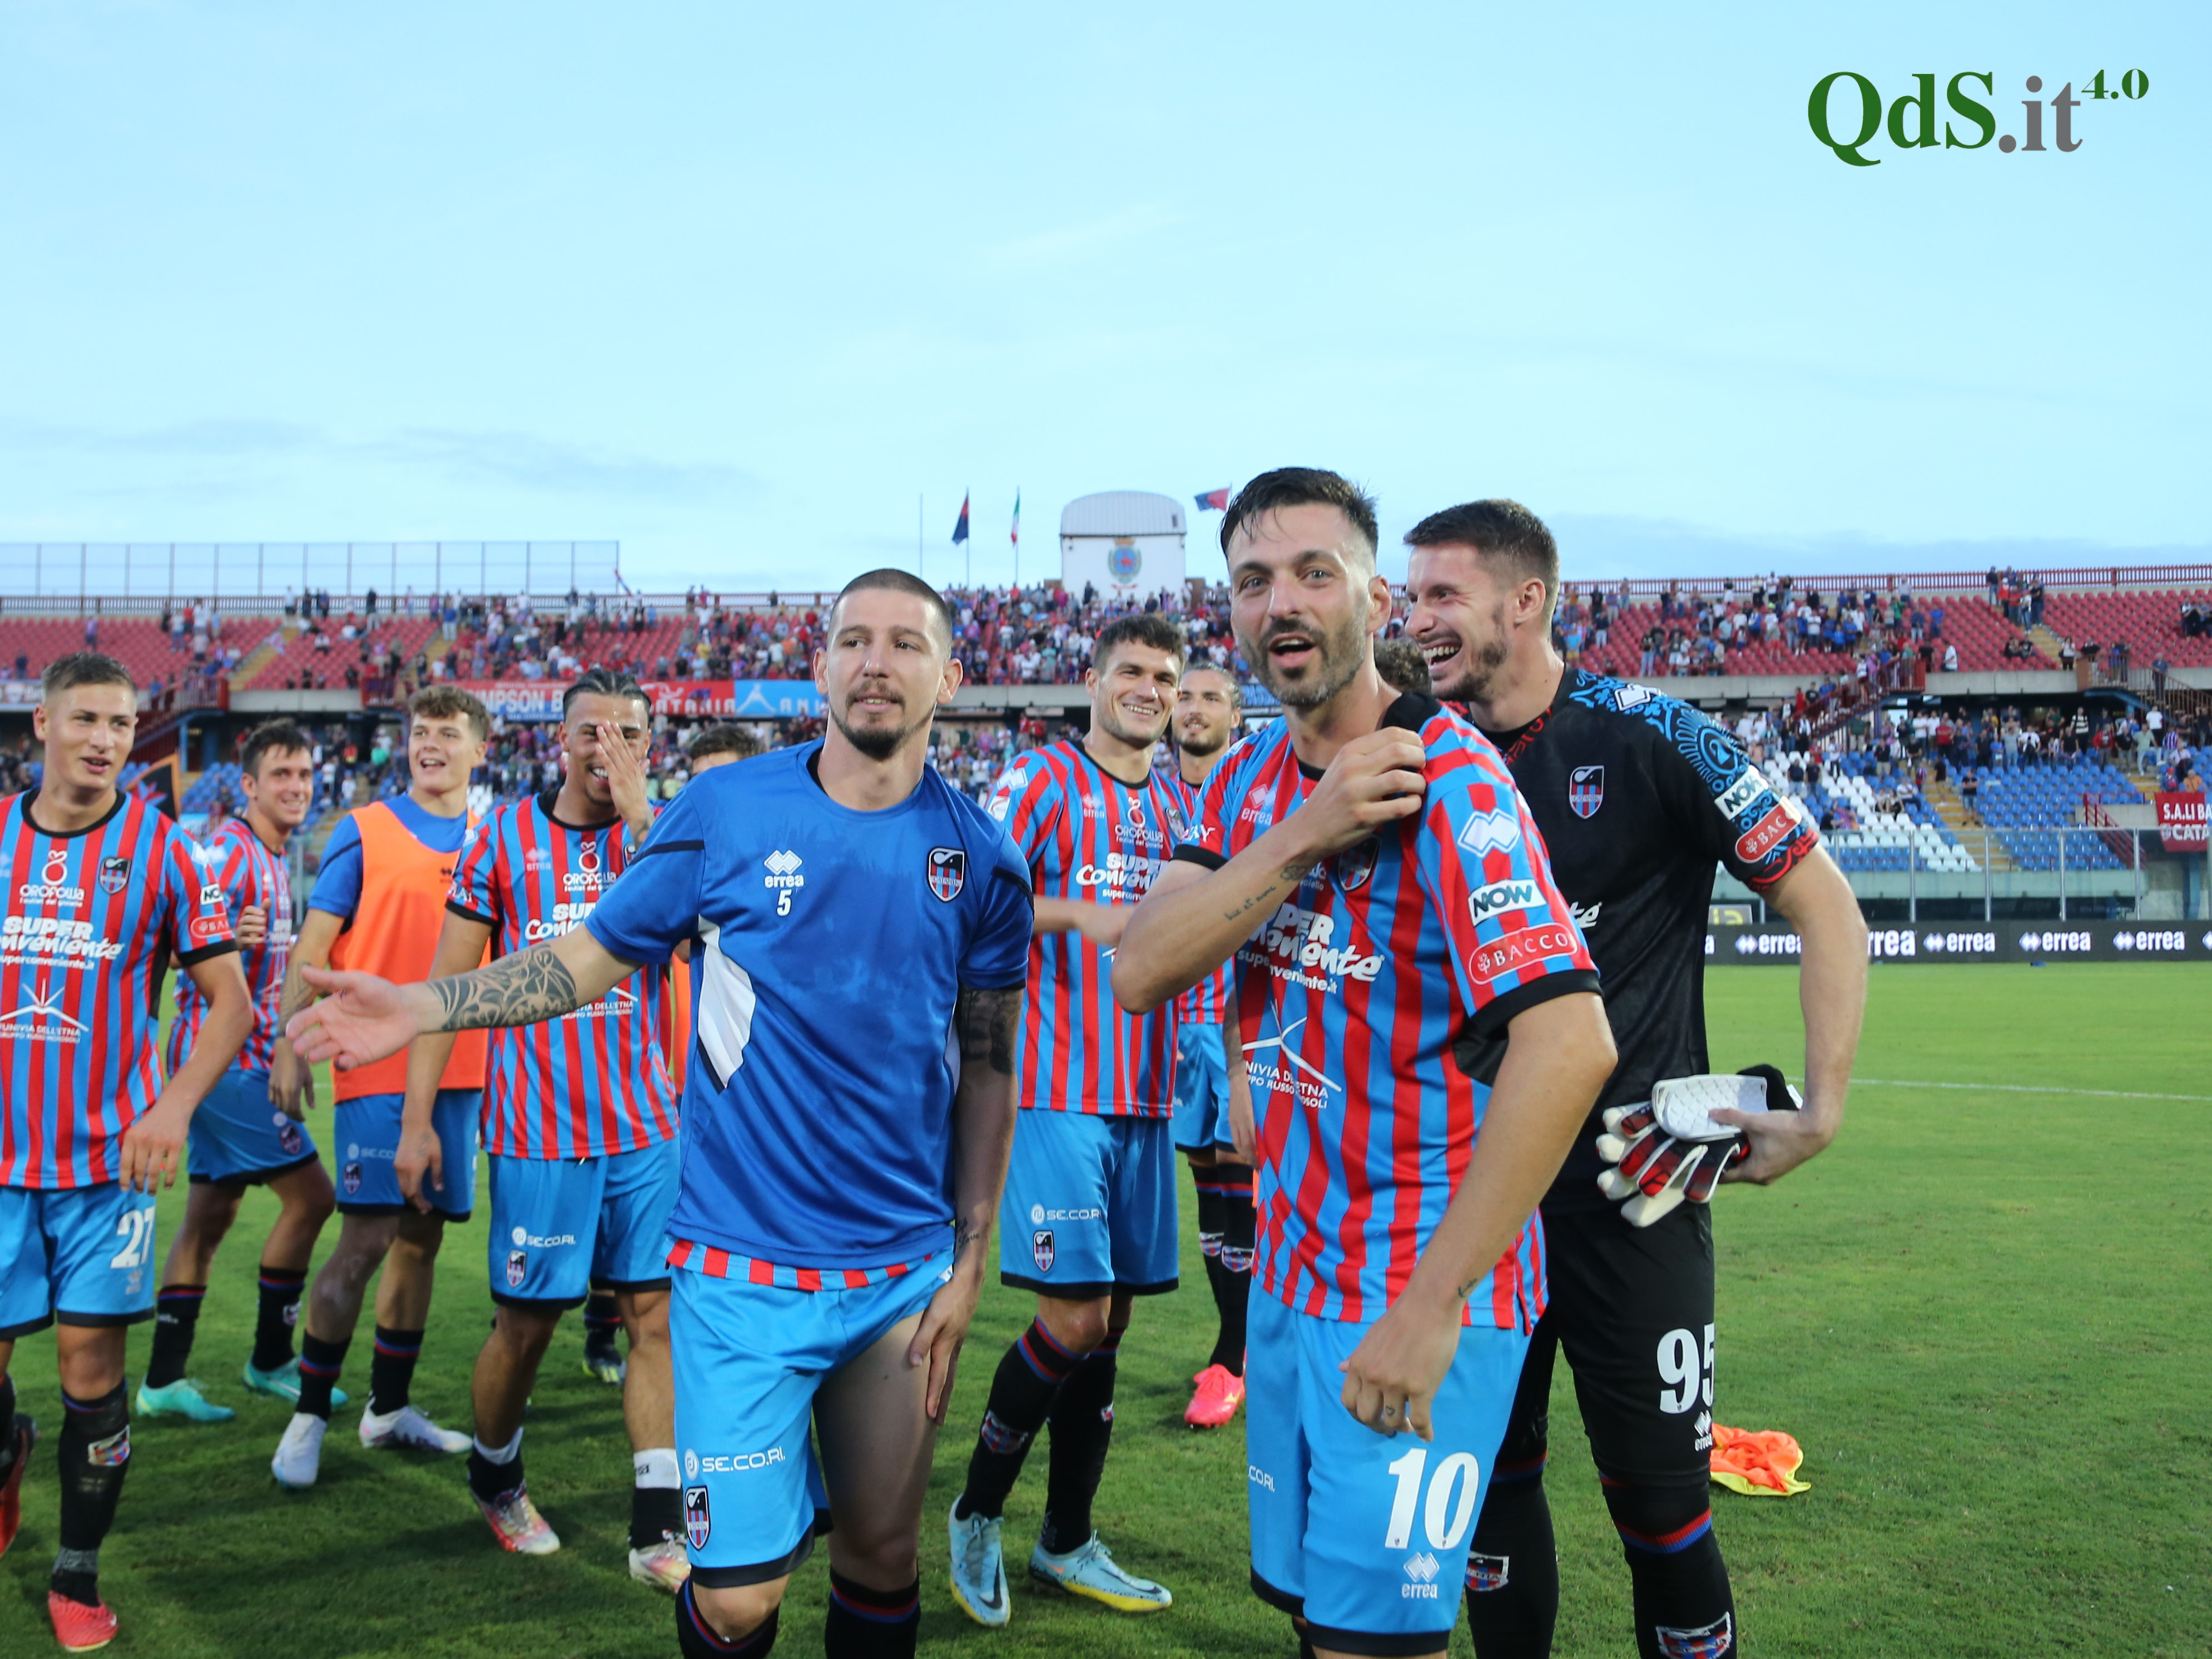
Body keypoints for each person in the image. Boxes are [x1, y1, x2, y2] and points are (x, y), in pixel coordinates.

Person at [285, 569, 1030, 1659]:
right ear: (819, 666)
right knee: (736, 1599)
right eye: (853, 638)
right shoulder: (725, 810)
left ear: (951, 677)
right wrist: (423, 1003)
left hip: (898, 1282)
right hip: (738, 1277)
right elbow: (587, 958)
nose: (877, 660)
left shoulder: (985, 859)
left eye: (906, 643)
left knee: (880, 1562)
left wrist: (971, 1258)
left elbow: (990, 1062)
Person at [1113, 469, 1616, 1659]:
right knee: (1316, 1622)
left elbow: (1571, 1041)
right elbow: (1143, 968)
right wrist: (1308, 831)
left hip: (1407, 1289)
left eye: (1312, 572)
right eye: (1252, 580)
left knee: (1374, 1647)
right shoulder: (1243, 781)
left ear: (1376, 595)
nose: (1281, 602)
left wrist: (1432, 1309)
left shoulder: (1454, 780)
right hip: (1291, 1281)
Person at [1402, 499, 1867, 1659]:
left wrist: (1820, 1108)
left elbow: (1827, 906)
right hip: (1470, 1196)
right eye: (1410, 599)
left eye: (1442, 596)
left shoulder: (1654, 732)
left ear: (1528, 600)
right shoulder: (1409, 753)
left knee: (1662, 1511)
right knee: (1488, 1498)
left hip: (1633, 1189)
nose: (1418, 622)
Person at [400, 668, 687, 1586]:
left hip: (647, 1123)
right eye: (591, 732)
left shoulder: (667, 839)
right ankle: (495, 1472)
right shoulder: (503, 839)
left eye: (628, 736)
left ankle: (656, 1527)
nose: (607, 749)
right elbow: (447, 993)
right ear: (556, 740)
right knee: (526, 1323)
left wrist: (649, 818)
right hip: (538, 1130)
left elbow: (698, 939)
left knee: (654, 1316)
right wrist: (418, 1119)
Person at [0, 651, 251, 1650]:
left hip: (109, 1167)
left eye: (123, 721)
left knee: (91, 1370)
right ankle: (11, 1444)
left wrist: (175, 1105)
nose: (107, 737)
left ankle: (76, 1570)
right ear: (42, 728)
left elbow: (228, 999)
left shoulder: (163, 851)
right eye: (89, 718)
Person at [946, 613, 1188, 1627]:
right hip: (1055, 1086)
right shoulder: (1042, 779)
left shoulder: (1178, 795)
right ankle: (975, 1509)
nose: (1147, 688)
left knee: (1111, 1326)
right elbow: (966, 894)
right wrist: (1074, 914)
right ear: (1092, 681)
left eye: (1164, 676)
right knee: (1072, 1316)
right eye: (1129, 669)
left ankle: (1067, 1537)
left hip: (1146, 1091)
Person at [268, 687, 492, 1488]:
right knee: (363, 1240)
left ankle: (388, 1409)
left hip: (461, 1071)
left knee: (421, 1239)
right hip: (374, 1067)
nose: (429, 744)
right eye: (420, 732)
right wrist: (291, 1048)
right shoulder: (365, 831)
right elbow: (313, 945)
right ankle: (307, 1414)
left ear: (480, 750)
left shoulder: (494, 838)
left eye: (447, 733)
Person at [139, 723, 334, 1425]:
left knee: (208, 1218)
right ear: (247, 786)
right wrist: (216, 938)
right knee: (312, 1198)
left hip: (235, 1060)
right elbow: (156, 940)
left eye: (305, 775)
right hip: (221, 1063)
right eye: (281, 775)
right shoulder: (227, 851)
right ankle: (271, 1357)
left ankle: (163, 1380)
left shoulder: (271, 855)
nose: (297, 787)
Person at [579, 720, 766, 1389]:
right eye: (699, 781)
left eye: (725, 778)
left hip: (760, 1097)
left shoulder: (772, 859)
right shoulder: (687, 849)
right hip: (682, 1081)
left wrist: (640, 817)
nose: (711, 794)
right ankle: (606, 1330)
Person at [1163, 663, 1253, 1429]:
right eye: (1182, 697)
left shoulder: (1251, 791)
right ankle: (1233, 1347)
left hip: (1244, 1026)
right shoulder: (1158, 798)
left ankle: (1236, 1357)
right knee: (1209, 1190)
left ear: (1236, 715)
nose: (1190, 710)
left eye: (1208, 699)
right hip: (1177, 1029)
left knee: (1246, 1185)